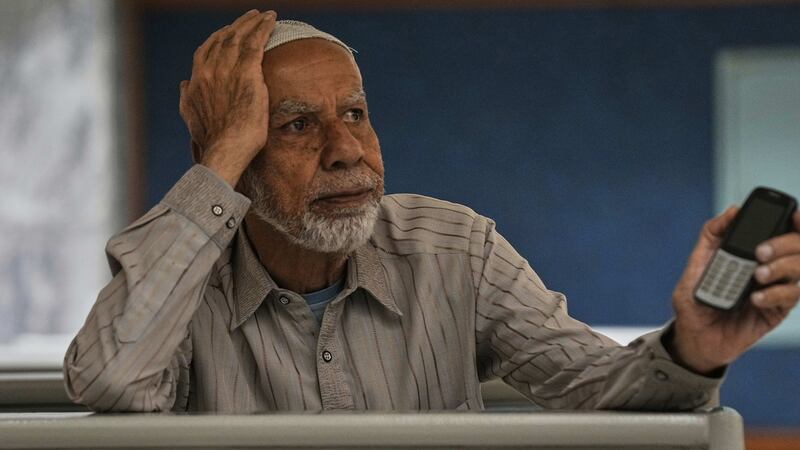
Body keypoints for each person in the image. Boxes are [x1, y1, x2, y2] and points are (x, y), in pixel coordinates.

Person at [63, 10, 800, 413]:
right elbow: (109, 379)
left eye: (356, 114)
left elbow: (596, 386)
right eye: (295, 125)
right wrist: (219, 159)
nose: (346, 151)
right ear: (230, 153)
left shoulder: (457, 249)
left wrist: (695, 347)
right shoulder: (183, 280)